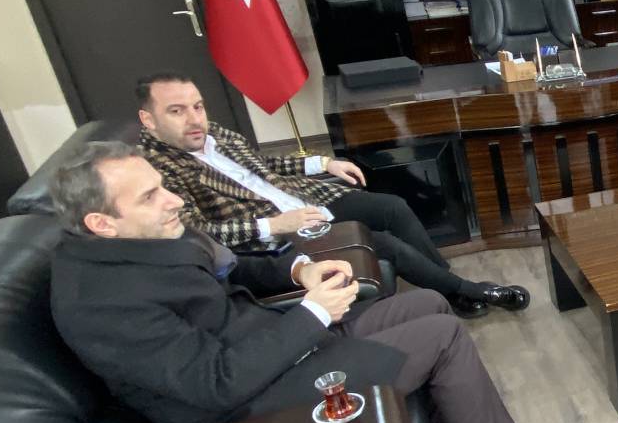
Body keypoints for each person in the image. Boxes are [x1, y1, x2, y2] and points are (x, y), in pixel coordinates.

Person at [48, 141, 567, 423]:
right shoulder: (99, 304)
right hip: (246, 409)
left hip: (274, 350)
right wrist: (313, 313)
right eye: (150, 196)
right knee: (443, 336)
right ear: (101, 222)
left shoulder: (141, 239)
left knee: (428, 302)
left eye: (162, 186)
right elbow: (213, 384)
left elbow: (228, 266)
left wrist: (299, 270)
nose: (174, 200)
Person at [137, 72, 527, 319]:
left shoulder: (214, 133)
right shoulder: (155, 170)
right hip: (282, 233)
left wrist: (322, 162)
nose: (195, 119)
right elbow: (198, 233)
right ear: (148, 119)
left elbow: (264, 164)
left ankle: (448, 285)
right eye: (177, 111)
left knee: (392, 206)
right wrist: (273, 224)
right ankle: (465, 290)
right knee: (382, 242)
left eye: (198, 106)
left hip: (304, 199)